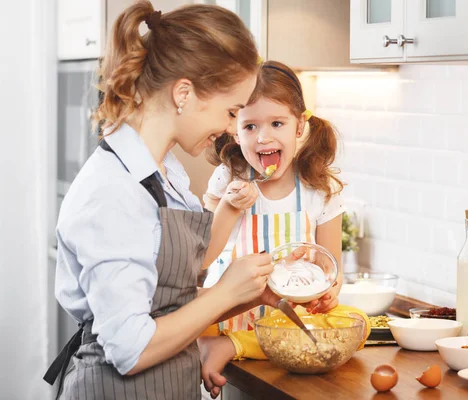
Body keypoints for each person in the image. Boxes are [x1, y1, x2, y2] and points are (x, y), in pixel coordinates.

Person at [43, 2, 275, 399]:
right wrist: (224, 293)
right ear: (184, 93)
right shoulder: (113, 192)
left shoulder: (163, 173)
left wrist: (245, 295)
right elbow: (130, 348)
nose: (231, 131)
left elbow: (165, 307)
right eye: (231, 111)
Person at [198, 60, 371, 397]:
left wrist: (327, 290)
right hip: (231, 314)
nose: (264, 137)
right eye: (250, 127)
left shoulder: (319, 187)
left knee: (358, 323)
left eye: (277, 123)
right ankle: (225, 343)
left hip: (290, 322)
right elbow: (202, 257)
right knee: (197, 320)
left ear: (299, 127)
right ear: (234, 129)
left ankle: (236, 346)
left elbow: (331, 268)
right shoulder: (228, 177)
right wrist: (229, 208)